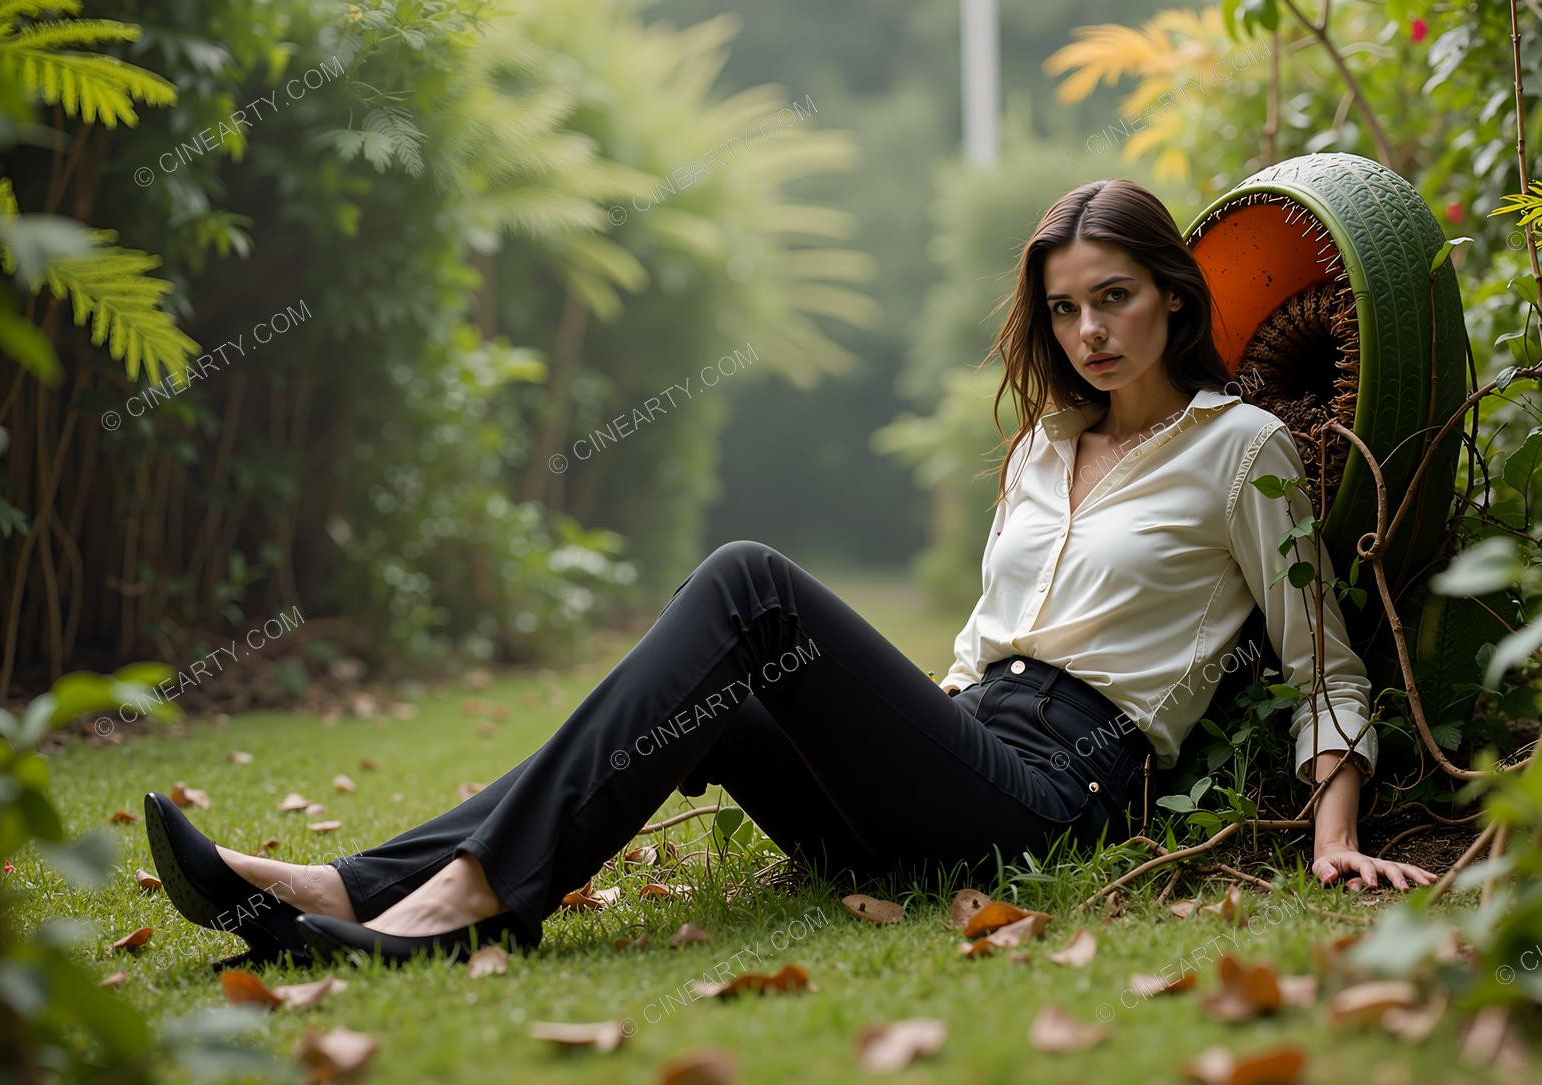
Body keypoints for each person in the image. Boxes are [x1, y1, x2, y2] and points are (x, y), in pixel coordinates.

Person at [145, 177, 1435, 971]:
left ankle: (472, 899)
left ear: (1171, 293)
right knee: (712, 676)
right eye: (1062, 310)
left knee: (746, 582)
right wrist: (889, 735)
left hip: (1060, 791)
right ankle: (347, 889)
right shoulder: (1043, 451)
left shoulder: (1242, 451)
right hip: (957, 756)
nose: (1089, 333)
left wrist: (1332, 836)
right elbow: (975, 659)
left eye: (1114, 299)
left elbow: (1323, 659)